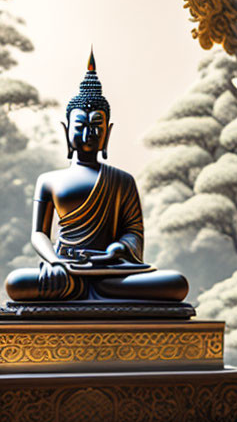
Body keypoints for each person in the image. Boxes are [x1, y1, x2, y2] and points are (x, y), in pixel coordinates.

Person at [5, 50, 188, 303]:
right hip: (66, 270)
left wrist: (120, 248)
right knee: (16, 283)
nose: (89, 132)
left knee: (176, 284)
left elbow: (133, 231)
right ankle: (89, 290)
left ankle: (90, 291)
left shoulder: (122, 180)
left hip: (110, 271)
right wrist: (55, 262)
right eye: (80, 125)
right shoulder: (48, 180)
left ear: (107, 133)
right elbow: (39, 234)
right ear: (67, 130)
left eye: (96, 125)